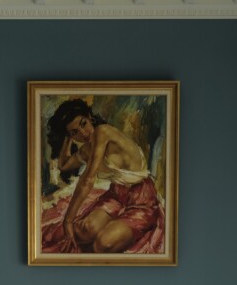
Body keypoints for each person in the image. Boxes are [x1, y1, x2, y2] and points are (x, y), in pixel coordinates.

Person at [41, 99, 165, 254]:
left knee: (103, 244)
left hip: (142, 200)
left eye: (83, 124)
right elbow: (64, 165)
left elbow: (87, 180)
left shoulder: (103, 132)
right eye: (75, 132)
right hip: (116, 195)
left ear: (89, 117)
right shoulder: (89, 148)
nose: (83, 133)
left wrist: (68, 221)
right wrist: (67, 137)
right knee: (85, 230)